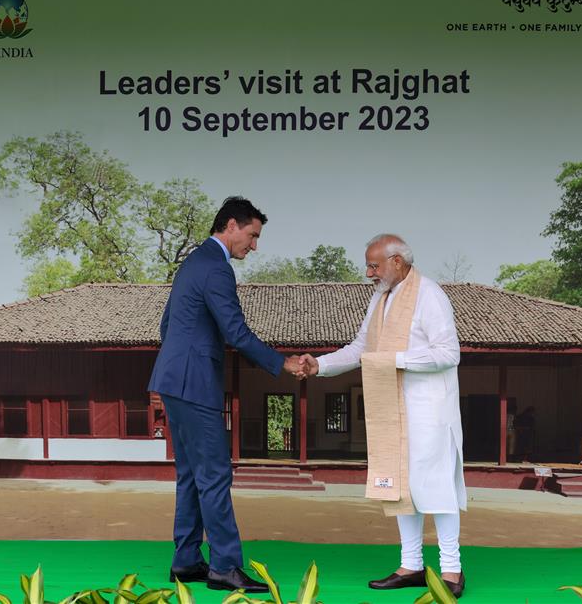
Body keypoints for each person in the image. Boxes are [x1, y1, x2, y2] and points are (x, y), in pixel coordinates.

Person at [147, 196, 305, 593]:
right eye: (252, 236)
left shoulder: (192, 262)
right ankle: (224, 567)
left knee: (190, 475)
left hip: (173, 380)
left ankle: (185, 561)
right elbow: (235, 332)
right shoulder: (216, 268)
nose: (254, 245)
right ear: (230, 225)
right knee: (215, 475)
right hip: (195, 382)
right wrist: (281, 363)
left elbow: (167, 325)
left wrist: (179, 364)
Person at [299, 234, 467, 598]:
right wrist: (320, 365)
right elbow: (363, 348)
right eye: (368, 265)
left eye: (374, 265)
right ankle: (411, 565)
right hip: (393, 409)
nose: (368, 272)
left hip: (428, 410)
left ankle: (452, 570)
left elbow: (448, 353)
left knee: (435, 487)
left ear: (397, 262)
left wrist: (396, 361)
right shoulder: (381, 298)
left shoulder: (430, 295)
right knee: (401, 487)